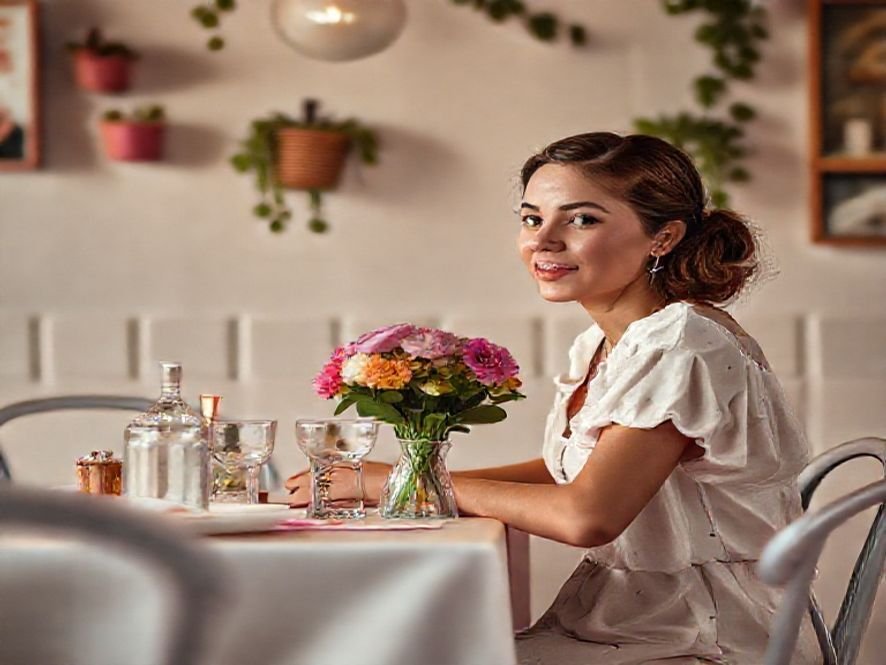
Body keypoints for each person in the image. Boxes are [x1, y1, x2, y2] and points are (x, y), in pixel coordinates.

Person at [286, 132, 822, 664]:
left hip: (706, 639)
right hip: (633, 623)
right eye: (531, 218)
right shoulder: (605, 344)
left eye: (582, 219)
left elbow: (587, 515)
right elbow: (574, 470)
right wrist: (413, 478)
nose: (543, 241)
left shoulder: (680, 344)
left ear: (663, 237)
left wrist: (390, 481)